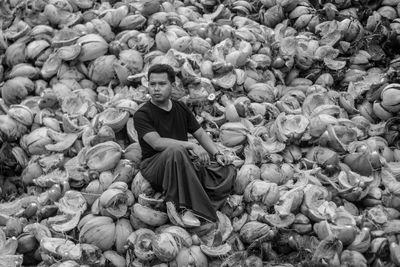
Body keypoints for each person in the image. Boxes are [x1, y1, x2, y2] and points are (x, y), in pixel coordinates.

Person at [133, 64, 236, 227]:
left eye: (162, 84)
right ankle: (181, 207)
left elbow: (200, 133)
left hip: (183, 160)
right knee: (176, 150)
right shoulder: (142, 114)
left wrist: (217, 154)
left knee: (227, 169)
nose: (156, 89)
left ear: (172, 86)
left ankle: (205, 201)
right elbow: (157, 143)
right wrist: (190, 145)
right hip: (156, 166)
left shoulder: (180, 107)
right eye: (152, 84)